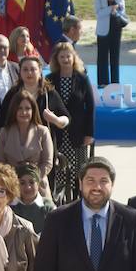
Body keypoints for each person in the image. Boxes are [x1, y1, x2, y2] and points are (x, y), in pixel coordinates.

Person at [46, 42, 95, 192]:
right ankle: (62, 196)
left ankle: (78, 195)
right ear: (57, 59)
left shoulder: (82, 79)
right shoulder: (50, 79)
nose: (66, 59)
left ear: (74, 58)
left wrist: (89, 134)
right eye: (62, 56)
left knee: (79, 168)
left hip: (77, 133)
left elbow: (90, 107)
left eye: (68, 56)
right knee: (60, 167)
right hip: (58, 132)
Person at [0, 90, 54, 182]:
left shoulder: (43, 132)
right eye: (19, 108)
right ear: (14, 110)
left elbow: (47, 163)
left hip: (37, 183)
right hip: (11, 184)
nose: (24, 112)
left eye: (27, 108)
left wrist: (32, 179)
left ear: (33, 110)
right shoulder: (4, 132)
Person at [94, 0, 128, 87]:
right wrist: (110, 8)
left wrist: (117, 8)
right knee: (102, 56)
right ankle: (103, 82)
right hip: (103, 28)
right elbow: (98, 13)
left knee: (115, 55)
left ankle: (115, 82)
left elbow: (123, 9)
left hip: (116, 27)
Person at [11, 162, 55, 232]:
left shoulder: (48, 208)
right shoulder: (11, 208)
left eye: (32, 182)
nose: (27, 187)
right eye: (22, 183)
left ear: (38, 184)